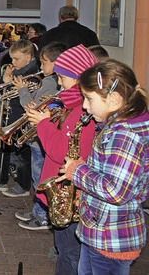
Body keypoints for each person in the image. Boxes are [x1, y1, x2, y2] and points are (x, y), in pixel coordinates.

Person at [58, 59, 148, 274]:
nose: (85, 106)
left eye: (89, 99)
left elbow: (115, 190)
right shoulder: (120, 125)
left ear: (114, 99)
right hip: (102, 230)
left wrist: (77, 171)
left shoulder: (125, 135)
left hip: (111, 237)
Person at [25, 45, 98, 274]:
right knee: (65, 249)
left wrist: (44, 123)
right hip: (65, 188)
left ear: (79, 77)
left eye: (62, 78)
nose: (59, 83)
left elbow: (59, 151)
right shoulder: (74, 105)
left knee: (69, 253)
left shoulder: (82, 112)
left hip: (71, 193)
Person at [12, 42, 65, 231]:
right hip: (39, 138)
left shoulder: (52, 83)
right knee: (38, 176)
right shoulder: (49, 81)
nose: (41, 68)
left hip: (42, 138)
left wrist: (22, 90)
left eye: (44, 63)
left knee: (41, 177)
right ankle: (37, 210)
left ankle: (42, 215)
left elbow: (30, 107)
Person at [0, 39, 39, 196]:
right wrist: (5, 81)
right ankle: (1, 179)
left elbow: (29, 98)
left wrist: (14, 85)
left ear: (28, 58)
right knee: (10, 151)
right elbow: (1, 94)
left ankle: (23, 185)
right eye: (12, 58)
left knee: (23, 154)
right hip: (11, 116)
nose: (12, 62)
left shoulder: (33, 74)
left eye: (16, 59)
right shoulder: (17, 71)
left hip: (22, 118)